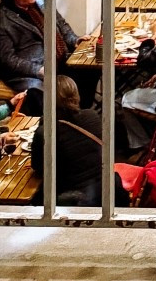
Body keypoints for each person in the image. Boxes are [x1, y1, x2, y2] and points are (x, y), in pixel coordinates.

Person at [0, 0, 77, 94]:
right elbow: (8, 59)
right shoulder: (4, 20)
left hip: (61, 60)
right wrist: (37, 70)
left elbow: (61, 25)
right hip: (32, 73)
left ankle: (80, 108)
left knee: (89, 70)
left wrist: (75, 40)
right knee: (40, 93)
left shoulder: (41, 1)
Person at [28, 74, 105, 206]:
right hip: (103, 191)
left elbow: (38, 167)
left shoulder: (46, 131)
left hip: (71, 199)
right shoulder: (92, 116)